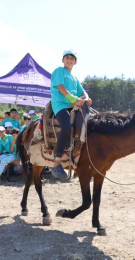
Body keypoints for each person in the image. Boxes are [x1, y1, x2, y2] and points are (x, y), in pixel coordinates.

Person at [50, 50, 92, 179]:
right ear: (63, 60)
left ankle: (82, 160)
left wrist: (87, 98)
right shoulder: (59, 71)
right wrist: (74, 99)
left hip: (72, 106)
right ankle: (57, 162)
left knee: (89, 125)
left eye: (71, 58)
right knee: (67, 127)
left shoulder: (74, 78)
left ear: (75, 62)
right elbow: (61, 88)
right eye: (67, 58)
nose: (69, 60)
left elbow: (82, 91)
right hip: (60, 105)